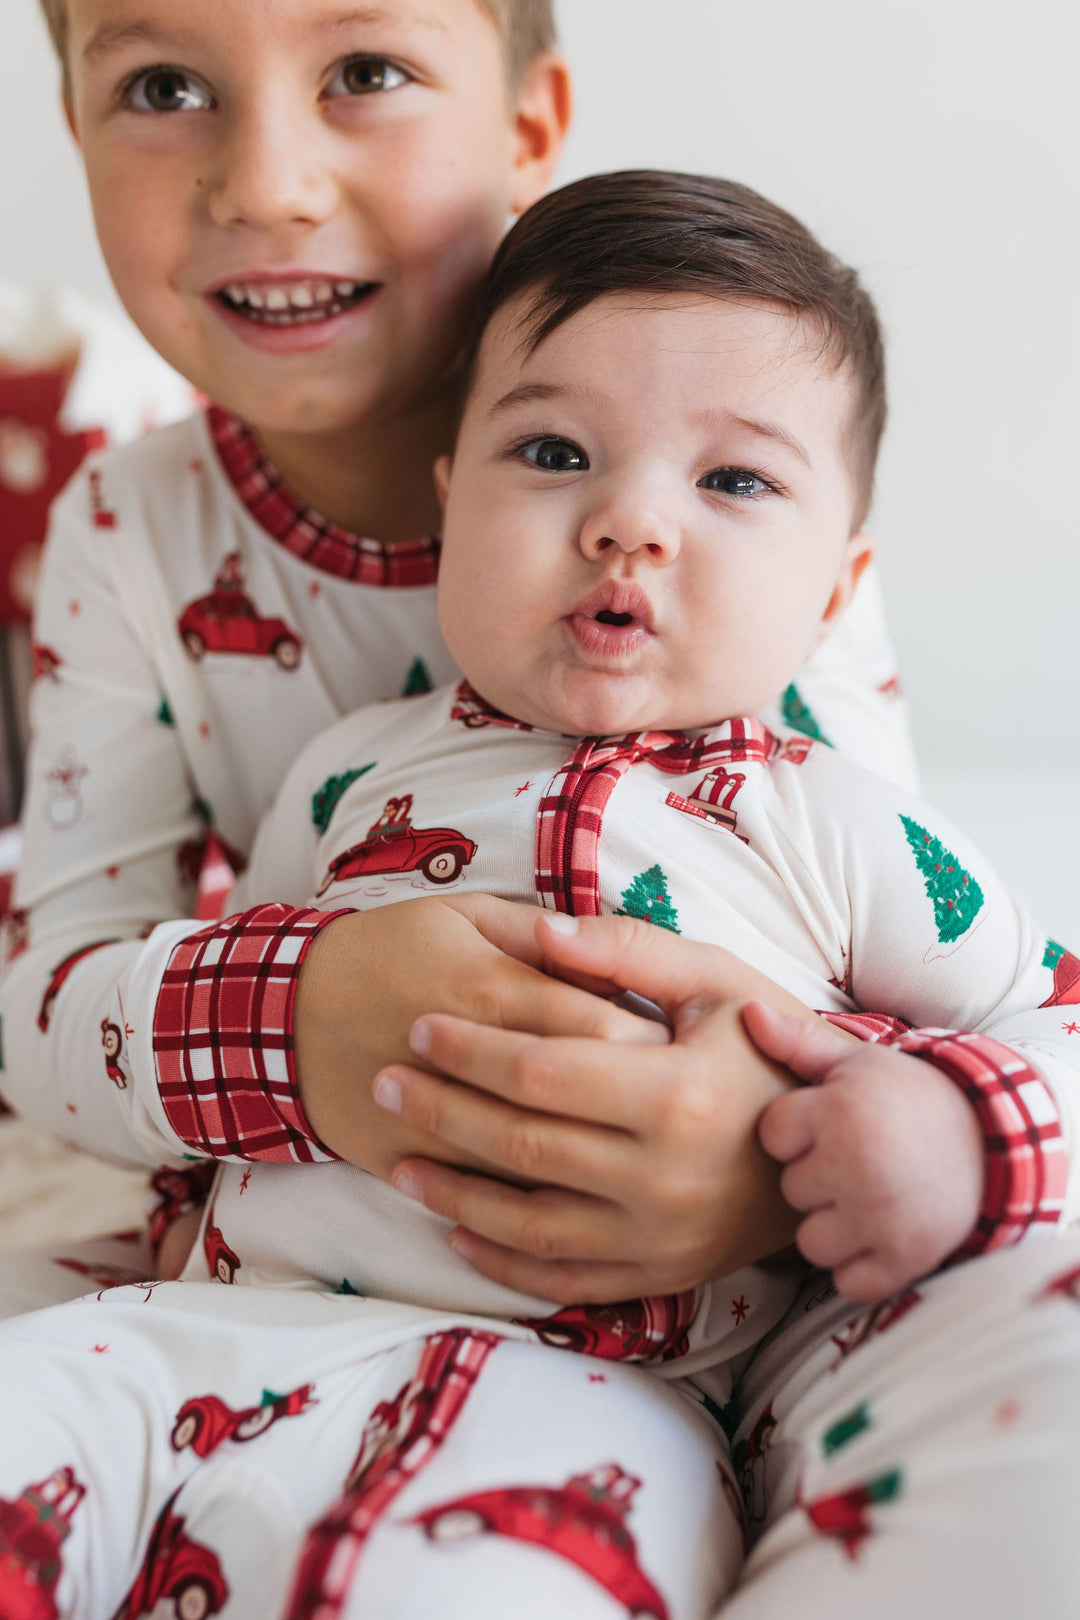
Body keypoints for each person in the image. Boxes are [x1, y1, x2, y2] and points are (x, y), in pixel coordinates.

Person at [3, 170, 1080, 1620]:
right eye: (556, 451)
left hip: (588, 1408)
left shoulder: (840, 826)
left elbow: (1051, 1012)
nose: (630, 522)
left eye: (733, 481)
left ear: (837, 589)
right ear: (450, 504)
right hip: (199, 1325)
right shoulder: (343, 774)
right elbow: (197, 1015)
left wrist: (951, 1121)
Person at [0, 0, 912, 1315]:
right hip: (316, 1244)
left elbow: (913, 965)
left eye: (367, 70)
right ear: (76, 127)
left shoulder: (734, 493)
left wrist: (773, 1134)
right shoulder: (128, 525)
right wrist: (297, 1020)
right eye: (161, 88)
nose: (267, 186)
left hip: (711, 1287)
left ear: (528, 125)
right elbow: (48, 1008)